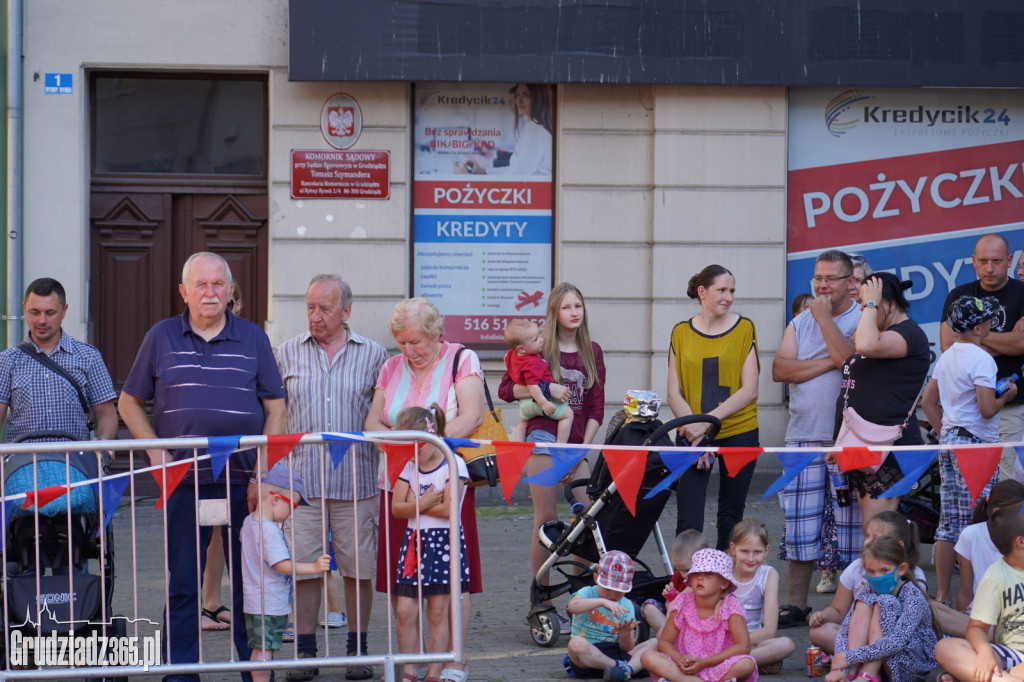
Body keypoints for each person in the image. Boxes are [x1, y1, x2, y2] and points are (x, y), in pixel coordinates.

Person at [119, 251, 287, 682]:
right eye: (201, 285)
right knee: (183, 582)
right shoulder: (160, 337)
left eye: (218, 285)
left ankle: (255, 672)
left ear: (230, 291)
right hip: (184, 482)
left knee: (251, 583)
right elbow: (129, 402)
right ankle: (180, 674)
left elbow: (276, 408)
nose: (210, 292)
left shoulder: (253, 338)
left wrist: (262, 474)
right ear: (184, 292)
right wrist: (156, 455)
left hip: (242, 484)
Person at [365, 297, 484, 682]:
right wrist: (407, 447)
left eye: (415, 341)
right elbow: (372, 423)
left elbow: (471, 414)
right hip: (397, 485)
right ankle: (412, 665)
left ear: (436, 333)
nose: (409, 350)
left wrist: (427, 445)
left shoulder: (461, 359)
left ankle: (455, 660)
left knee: (450, 580)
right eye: (401, 342)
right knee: (405, 582)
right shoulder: (390, 367)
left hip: (446, 479)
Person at [275, 274, 387, 682]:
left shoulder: (374, 355)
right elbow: (274, 414)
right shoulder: (285, 353)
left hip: (356, 484)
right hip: (300, 486)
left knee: (359, 570)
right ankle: (305, 653)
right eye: (310, 307)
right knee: (304, 569)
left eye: (324, 308)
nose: (316, 316)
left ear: (346, 311)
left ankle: (358, 650)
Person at [498, 282, 606, 623]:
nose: (574, 312)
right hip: (543, 442)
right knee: (545, 522)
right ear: (554, 314)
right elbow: (505, 389)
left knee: (589, 520)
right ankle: (541, 601)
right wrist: (543, 388)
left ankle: (580, 596)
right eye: (567, 307)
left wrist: (581, 451)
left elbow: (596, 409)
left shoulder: (593, 351)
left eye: (579, 306)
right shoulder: (537, 349)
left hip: (576, 446)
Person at [772, 250, 862, 628]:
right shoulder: (798, 322)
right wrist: (827, 361)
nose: (822, 285)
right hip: (802, 438)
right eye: (818, 278)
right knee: (799, 527)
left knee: (852, 530)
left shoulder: (864, 319)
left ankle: (857, 603)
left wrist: (825, 322)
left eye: (831, 279)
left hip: (848, 440)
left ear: (850, 283)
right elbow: (780, 370)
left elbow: (851, 359)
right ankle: (796, 605)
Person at [922, 294, 1015, 605]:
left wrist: (947, 432)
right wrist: (1008, 394)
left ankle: (942, 594)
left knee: (948, 522)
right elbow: (987, 409)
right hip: (975, 446)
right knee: (975, 521)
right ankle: (973, 597)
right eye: (987, 319)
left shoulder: (947, 355)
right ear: (977, 328)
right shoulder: (982, 358)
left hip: (951, 441)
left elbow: (928, 402)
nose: (991, 322)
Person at [668, 264, 759, 549]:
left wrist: (707, 423)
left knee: (731, 516)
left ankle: (726, 584)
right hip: (691, 433)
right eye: (722, 290)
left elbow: (750, 389)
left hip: (739, 430)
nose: (728, 297)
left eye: (732, 291)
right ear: (702, 292)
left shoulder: (745, 327)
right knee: (689, 519)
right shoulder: (681, 332)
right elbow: (673, 392)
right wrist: (696, 433)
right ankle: (688, 586)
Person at [835, 273, 929, 524]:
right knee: (873, 530)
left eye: (867, 305)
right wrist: (838, 439)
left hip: (889, 447)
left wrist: (871, 303)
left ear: (890, 303)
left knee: (878, 533)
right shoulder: (878, 332)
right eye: (862, 305)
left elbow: (866, 346)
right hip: (863, 442)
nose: (863, 311)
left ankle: (897, 565)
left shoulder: (909, 334)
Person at [391, 404, 469, 682]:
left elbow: (450, 510)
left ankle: (435, 670)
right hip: (414, 542)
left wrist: (413, 503)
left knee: (438, 611)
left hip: (443, 543)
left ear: (430, 434)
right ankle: (411, 669)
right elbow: (395, 508)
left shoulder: (453, 462)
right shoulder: (410, 465)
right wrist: (424, 502)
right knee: (405, 610)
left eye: (417, 445)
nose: (412, 452)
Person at [940, 234, 1024, 481]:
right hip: (969, 414)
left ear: (1009, 260)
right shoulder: (959, 294)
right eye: (984, 261)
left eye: (997, 261)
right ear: (973, 261)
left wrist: (969, 336)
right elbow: (948, 345)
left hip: (1012, 405)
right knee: (975, 485)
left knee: (1011, 485)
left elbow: (1022, 344)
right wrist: (1006, 340)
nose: (989, 268)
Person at [0, 277, 118, 443]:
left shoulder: (88, 356)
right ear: (24, 308)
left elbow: (105, 412)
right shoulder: (7, 361)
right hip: (23, 464)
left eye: (50, 313)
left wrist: (104, 443)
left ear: (64, 311)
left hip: (75, 462)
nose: (42, 320)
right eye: (35, 312)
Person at [241, 465, 330, 682]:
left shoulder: (249, 522)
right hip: (269, 602)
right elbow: (282, 565)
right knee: (266, 651)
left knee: (259, 648)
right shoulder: (269, 529)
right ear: (275, 499)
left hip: (255, 601)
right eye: (292, 506)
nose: (292, 512)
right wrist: (314, 568)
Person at [809, 511, 925, 655]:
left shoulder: (915, 574)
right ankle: (861, 659)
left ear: (898, 545)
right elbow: (838, 611)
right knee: (819, 632)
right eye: (868, 536)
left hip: (893, 641)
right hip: (859, 636)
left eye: (876, 538)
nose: (868, 542)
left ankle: (860, 661)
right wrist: (823, 616)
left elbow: (909, 624)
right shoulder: (856, 568)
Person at [825, 536, 936, 682]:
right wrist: (841, 666)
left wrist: (851, 656)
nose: (877, 577)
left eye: (884, 571)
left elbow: (897, 641)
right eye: (871, 571)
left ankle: (867, 675)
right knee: (865, 602)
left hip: (909, 666)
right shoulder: (868, 588)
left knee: (886, 601)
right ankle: (850, 672)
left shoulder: (913, 596)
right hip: (876, 659)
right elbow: (845, 629)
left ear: (901, 569)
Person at [935, 500, 1024, 682]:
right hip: (1009, 651)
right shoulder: (996, 575)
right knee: (945, 647)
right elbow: (976, 628)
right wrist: (984, 652)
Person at [640, 548, 756, 682]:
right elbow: (665, 642)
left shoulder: (731, 605)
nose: (700, 577)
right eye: (696, 573)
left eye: (708, 573)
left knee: (746, 664)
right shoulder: (682, 601)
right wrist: (679, 658)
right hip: (684, 667)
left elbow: (743, 646)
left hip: (717, 666)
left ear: (724, 583)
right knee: (648, 657)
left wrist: (704, 662)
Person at [564, 551, 655, 682]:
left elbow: (627, 648)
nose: (613, 595)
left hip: (615, 651)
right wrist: (601, 602)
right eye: (607, 588)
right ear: (596, 578)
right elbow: (573, 606)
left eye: (619, 591)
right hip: (589, 655)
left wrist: (625, 634)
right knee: (575, 644)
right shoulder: (588, 592)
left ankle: (626, 671)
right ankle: (621, 668)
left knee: (654, 642)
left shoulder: (627, 605)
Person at [728, 519, 795, 675]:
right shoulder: (722, 570)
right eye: (744, 551)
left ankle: (726, 662)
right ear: (733, 548)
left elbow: (770, 630)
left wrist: (738, 646)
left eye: (757, 552)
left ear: (766, 550)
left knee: (786, 645)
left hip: (754, 641)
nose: (751, 558)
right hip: (722, 640)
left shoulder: (768, 574)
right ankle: (746, 663)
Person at [454, 83, 553, 177]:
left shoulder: (536, 132)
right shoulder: (531, 128)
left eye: (526, 95)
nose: (518, 101)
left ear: (539, 98)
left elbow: (515, 176)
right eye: (517, 95)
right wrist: (483, 171)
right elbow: (514, 169)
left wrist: (468, 177)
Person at [954, 480, 1024, 613]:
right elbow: (965, 591)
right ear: (998, 512)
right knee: (938, 610)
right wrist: (962, 624)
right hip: (983, 617)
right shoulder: (971, 534)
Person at [503, 318, 572, 443]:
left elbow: (505, 359)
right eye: (535, 340)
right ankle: (560, 447)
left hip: (524, 405)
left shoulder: (511, 355)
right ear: (521, 349)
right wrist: (544, 403)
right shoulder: (533, 364)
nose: (541, 340)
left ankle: (519, 446)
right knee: (568, 415)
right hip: (538, 401)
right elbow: (533, 386)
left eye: (539, 335)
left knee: (523, 422)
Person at [641, 530, 708, 635]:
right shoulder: (678, 575)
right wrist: (670, 595)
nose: (683, 575)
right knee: (649, 607)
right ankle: (670, 637)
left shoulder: (707, 580)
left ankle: (673, 638)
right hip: (674, 620)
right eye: (678, 569)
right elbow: (671, 605)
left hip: (694, 624)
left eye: (687, 570)